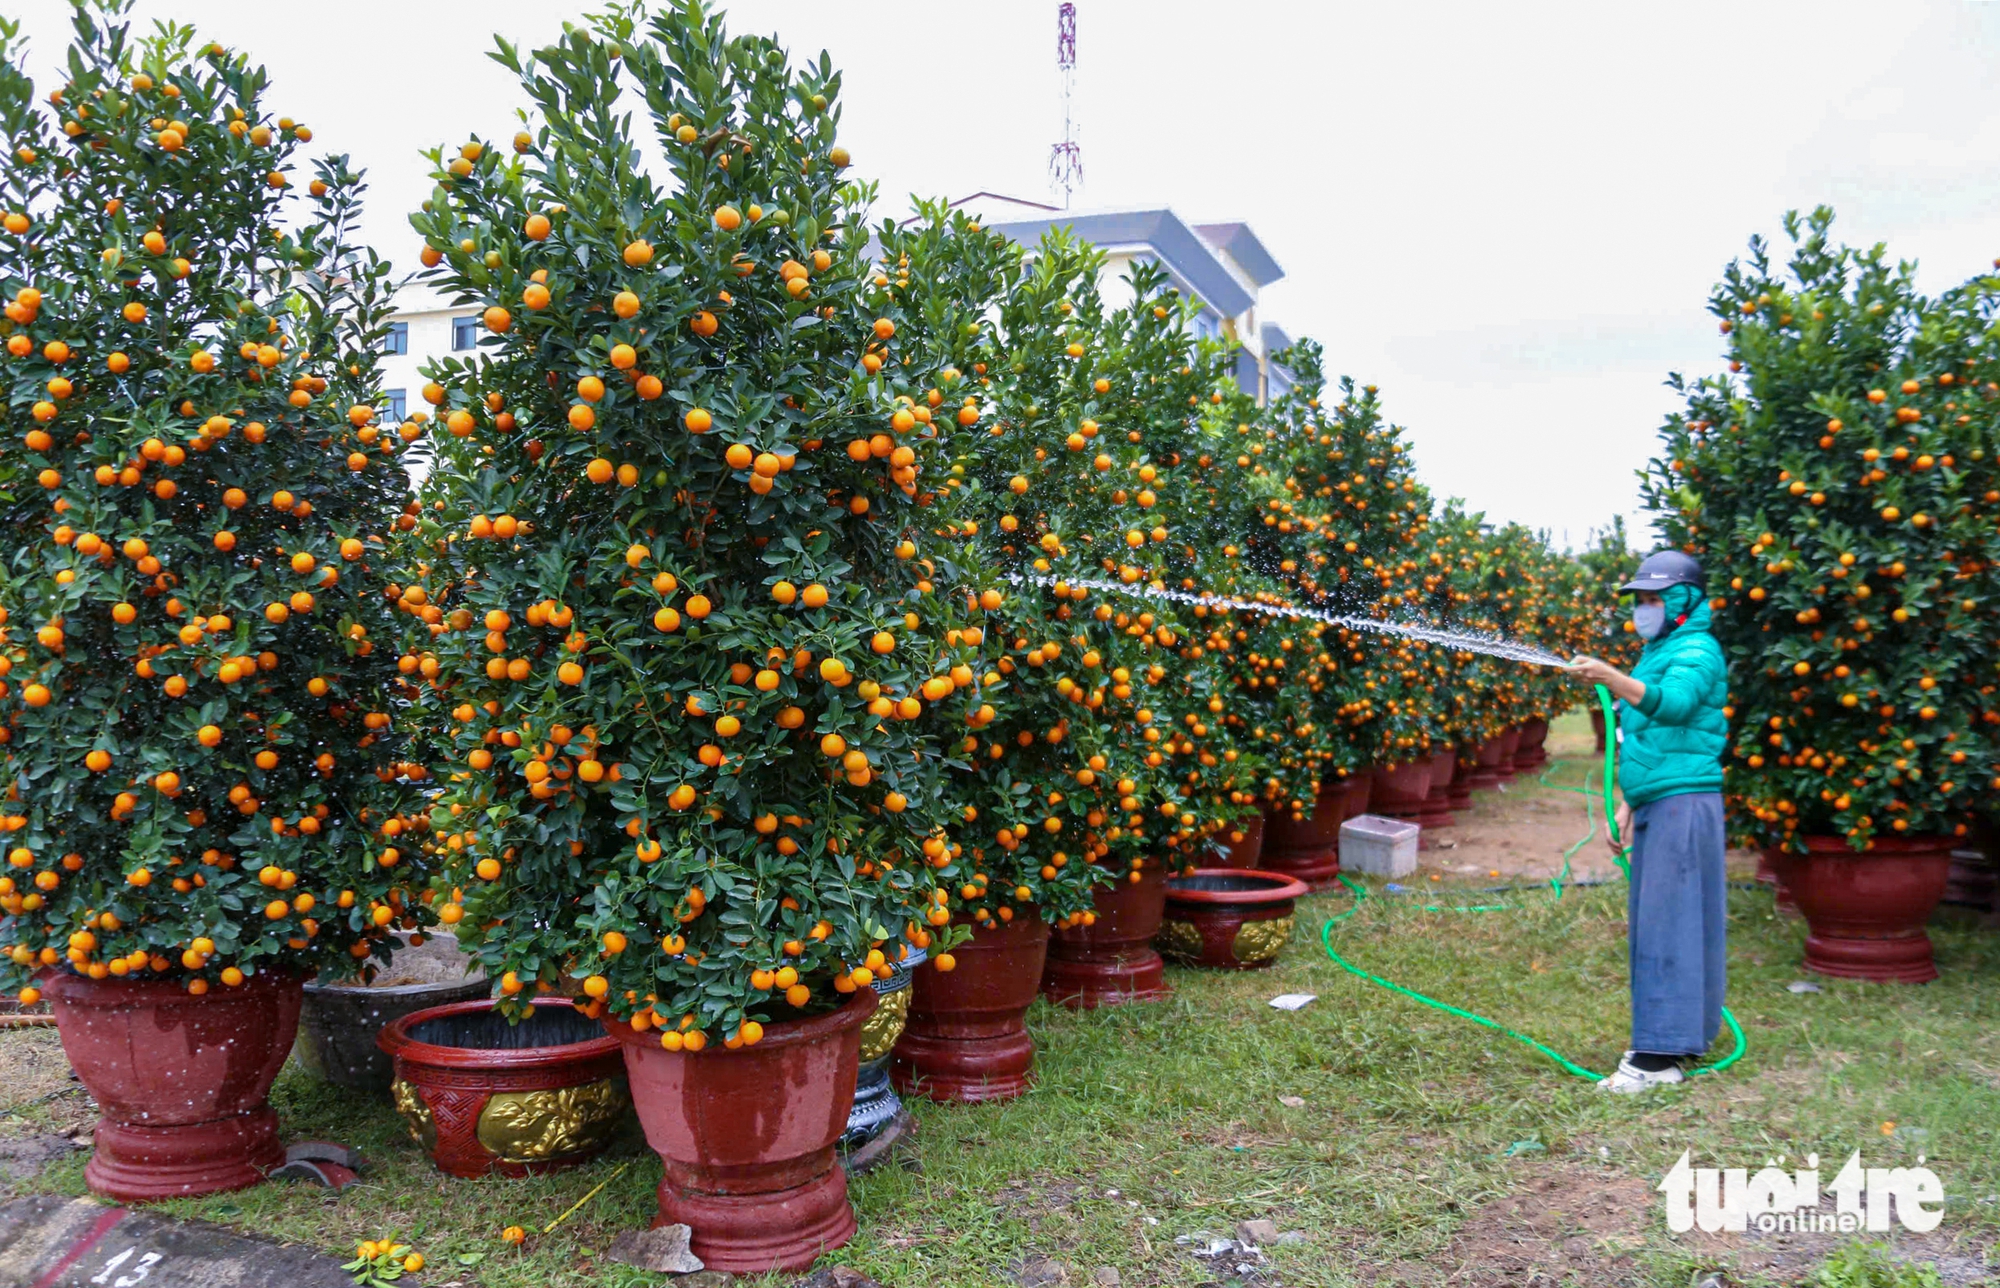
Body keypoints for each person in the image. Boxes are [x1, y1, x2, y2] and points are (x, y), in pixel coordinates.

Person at [1566, 550, 1728, 1093]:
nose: (1644, 609)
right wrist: (1628, 804)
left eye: (1655, 599)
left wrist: (1610, 676)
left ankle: (1659, 1061)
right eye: (1640, 600)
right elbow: (1655, 738)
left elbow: (1676, 706)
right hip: (1663, 798)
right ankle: (1676, 1039)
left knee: (1670, 923)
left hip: (1686, 802)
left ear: (1683, 602)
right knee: (1664, 921)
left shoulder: (1697, 649)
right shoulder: (1660, 651)